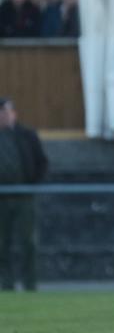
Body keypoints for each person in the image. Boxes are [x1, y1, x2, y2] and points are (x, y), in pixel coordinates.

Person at [0, 98, 48, 291]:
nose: (4, 115)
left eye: (6, 111)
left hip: (24, 196)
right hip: (1, 199)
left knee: (28, 242)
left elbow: (41, 162)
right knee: (2, 244)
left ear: (14, 113)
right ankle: (6, 285)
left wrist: (33, 185)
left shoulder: (27, 135)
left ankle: (30, 285)